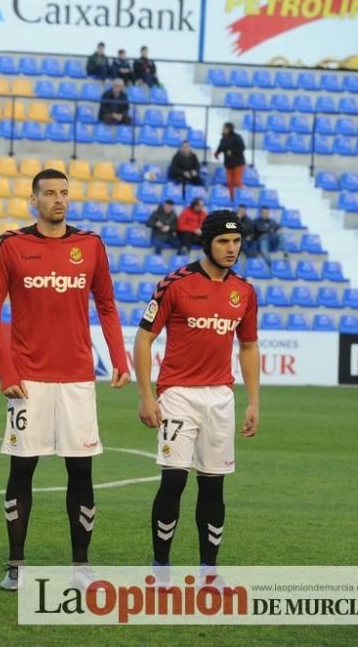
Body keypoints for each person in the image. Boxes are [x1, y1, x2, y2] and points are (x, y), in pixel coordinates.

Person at [0, 169, 130, 592]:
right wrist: (6, 371)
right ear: (33, 200)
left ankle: (81, 566)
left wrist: (119, 358)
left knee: (80, 471)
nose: (58, 200)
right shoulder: (11, 245)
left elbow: (106, 303)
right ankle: (16, 565)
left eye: (64, 193)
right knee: (21, 470)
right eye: (49, 193)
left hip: (77, 379)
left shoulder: (91, 245)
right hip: (28, 379)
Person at [134, 210, 259, 587]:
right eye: (223, 241)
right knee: (173, 481)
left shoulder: (245, 291)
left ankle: (209, 571)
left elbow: (249, 346)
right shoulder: (175, 283)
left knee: (213, 485)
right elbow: (144, 338)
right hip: (177, 395)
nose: (231, 248)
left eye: (236, 242)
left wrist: (253, 401)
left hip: (221, 397)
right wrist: (146, 395)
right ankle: (161, 566)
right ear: (206, 242)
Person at [214, 122, 246, 202]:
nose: (223, 130)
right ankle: (232, 199)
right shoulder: (223, 139)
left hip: (238, 164)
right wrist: (217, 153)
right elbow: (221, 147)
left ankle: (239, 199)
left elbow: (242, 147)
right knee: (230, 183)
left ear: (229, 129)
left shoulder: (237, 137)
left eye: (224, 128)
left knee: (237, 182)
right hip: (228, 165)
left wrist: (232, 151)